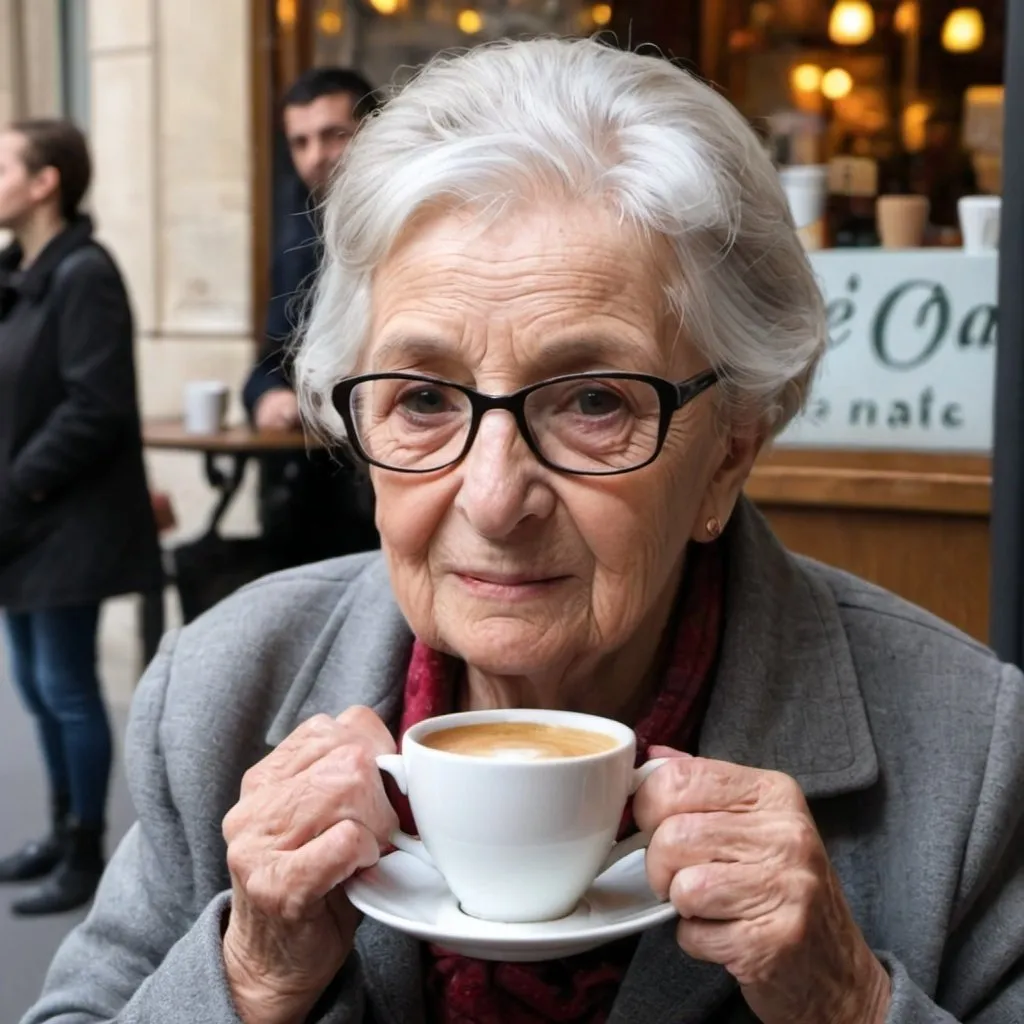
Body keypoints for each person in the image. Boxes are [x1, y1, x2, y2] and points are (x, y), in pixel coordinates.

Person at [21, 39, 1024, 1023]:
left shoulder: (967, 744)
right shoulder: (219, 693)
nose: (494, 499)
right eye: (420, 398)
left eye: (592, 400)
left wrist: (850, 1004)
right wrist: (249, 973)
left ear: (729, 450)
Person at [0, 119, 162, 916]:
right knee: (33, 683)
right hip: (20, 521)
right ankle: (60, 832)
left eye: (1, 164)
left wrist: (18, 484)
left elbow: (96, 406)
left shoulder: (83, 273)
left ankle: (86, 848)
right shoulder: (21, 274)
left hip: (62, 519)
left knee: (65, 685)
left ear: (45, 182)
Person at [243, 67, 380, 566]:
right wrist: (268, 398)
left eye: (333, 136)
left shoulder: (415, 225)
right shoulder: (299, 239)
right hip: (316, 487)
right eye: (299, 143)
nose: (314, 157)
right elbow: (267, 361)